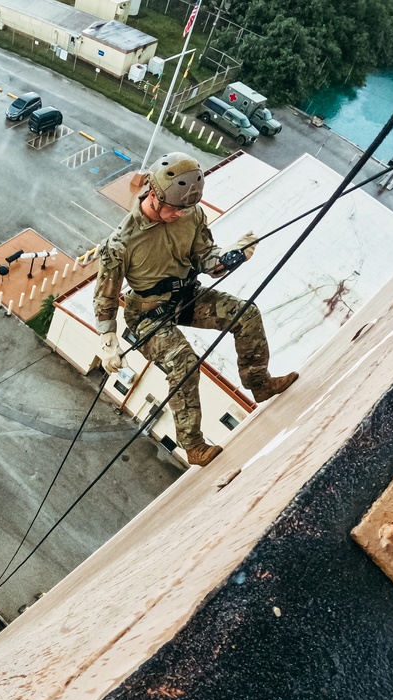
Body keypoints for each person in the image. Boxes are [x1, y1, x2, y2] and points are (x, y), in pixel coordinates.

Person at [94, 152, 298, 467]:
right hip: (148, 316)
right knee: (183, 362)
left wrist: (231, 257)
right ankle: (193, 446)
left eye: (186, 209)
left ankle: (259, 383)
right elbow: (105, 296)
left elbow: (206, 258)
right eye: (175, 209)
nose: (181, 215)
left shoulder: (192, 214)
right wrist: (108, 342)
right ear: (154, 195)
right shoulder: (121, 243)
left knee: (245, 314)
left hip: (187, 297)